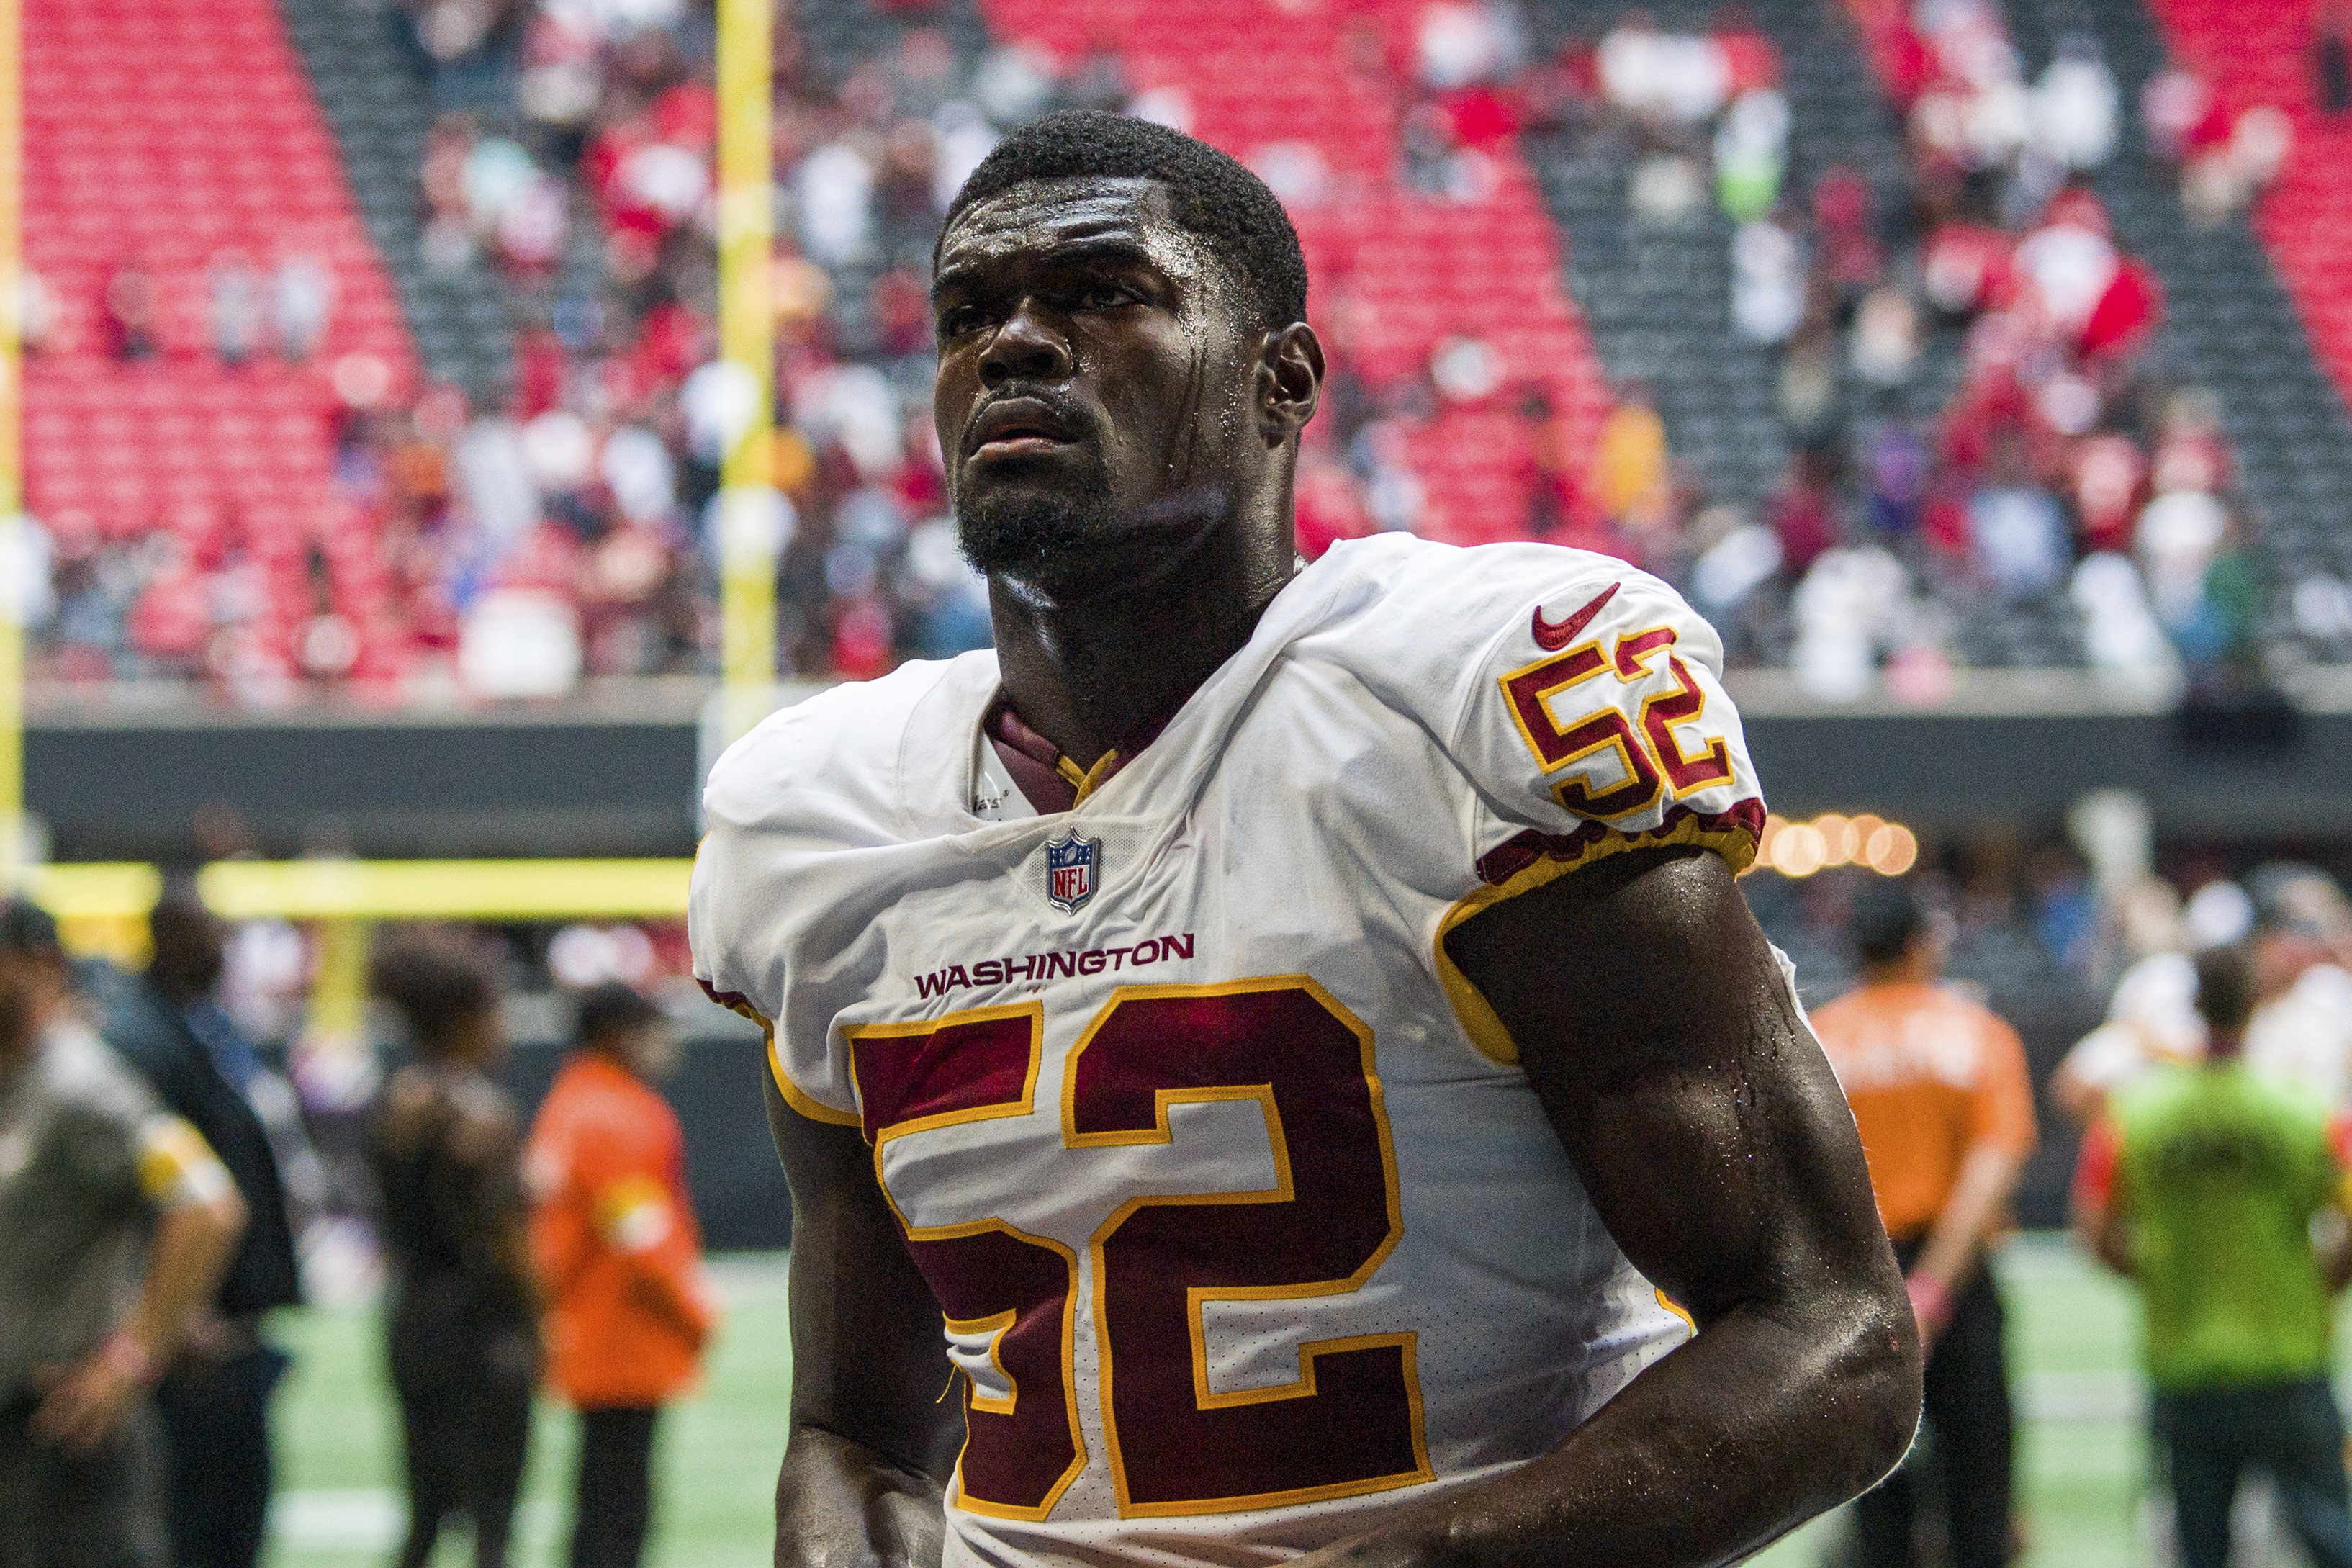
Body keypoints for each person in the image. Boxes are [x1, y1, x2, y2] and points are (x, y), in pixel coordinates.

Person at [690, 111, 1920, 1568]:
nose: (1011, 346)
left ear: (1284, 382)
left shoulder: (1466, 703)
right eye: (969, 315)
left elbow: (1830, 1336)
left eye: (1100, 294)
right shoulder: (815, 816)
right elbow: (854, 1435)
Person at [2075, 945, 2352, 1568]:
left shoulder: (2133, 1114)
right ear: (2255, 1004)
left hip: (2183, 1362)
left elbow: (2092, 1231)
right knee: (2330, 1538)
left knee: (2200, 1547)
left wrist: (2155, 1277)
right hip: (2289, 1355)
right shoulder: (2307, 1110)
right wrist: (2322, 1284)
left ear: (2193, 1005)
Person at [0, 898, 248, 1568]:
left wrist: (129, 1361)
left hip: (57, 1438)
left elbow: (208, 1207)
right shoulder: (18, 1083)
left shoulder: (80, 1084)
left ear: (39, 966)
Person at [1808, 881, 2037, 1568]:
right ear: (1919, 944)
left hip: (1858, 1278)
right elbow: (1989, 1169)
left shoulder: (1817, 1039)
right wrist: (1932, 1288)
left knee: (1874, 1484)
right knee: (1979, 1481)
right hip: (1955, 1281)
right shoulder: (1976, 1033)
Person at [106, 890, 305, 1568]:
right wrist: (171, 1310)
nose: (221, 946)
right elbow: (140, 1196)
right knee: (193, 1529)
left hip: (231, 1332)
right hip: (189, 1341)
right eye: (206, 933)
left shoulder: (208, 1030)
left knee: (236, 1525)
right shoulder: (140, 1041)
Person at [365, 927, 540, 1568]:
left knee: (423, 1517)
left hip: (410, 1318)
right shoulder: (483, 1113)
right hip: (482, 1331)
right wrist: (541, 1321)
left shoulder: (395, 1102)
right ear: (466, 1019)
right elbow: (506, 1236)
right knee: (493, 1525)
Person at [525, 983, 716, 1568]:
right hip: (622, 1331)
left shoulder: (573, 1103)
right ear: (617, 1033)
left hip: (587, 1322)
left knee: (600, 1498)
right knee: (618, 1508)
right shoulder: (614, 1116)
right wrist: (694, 1309)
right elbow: (640, 1234)